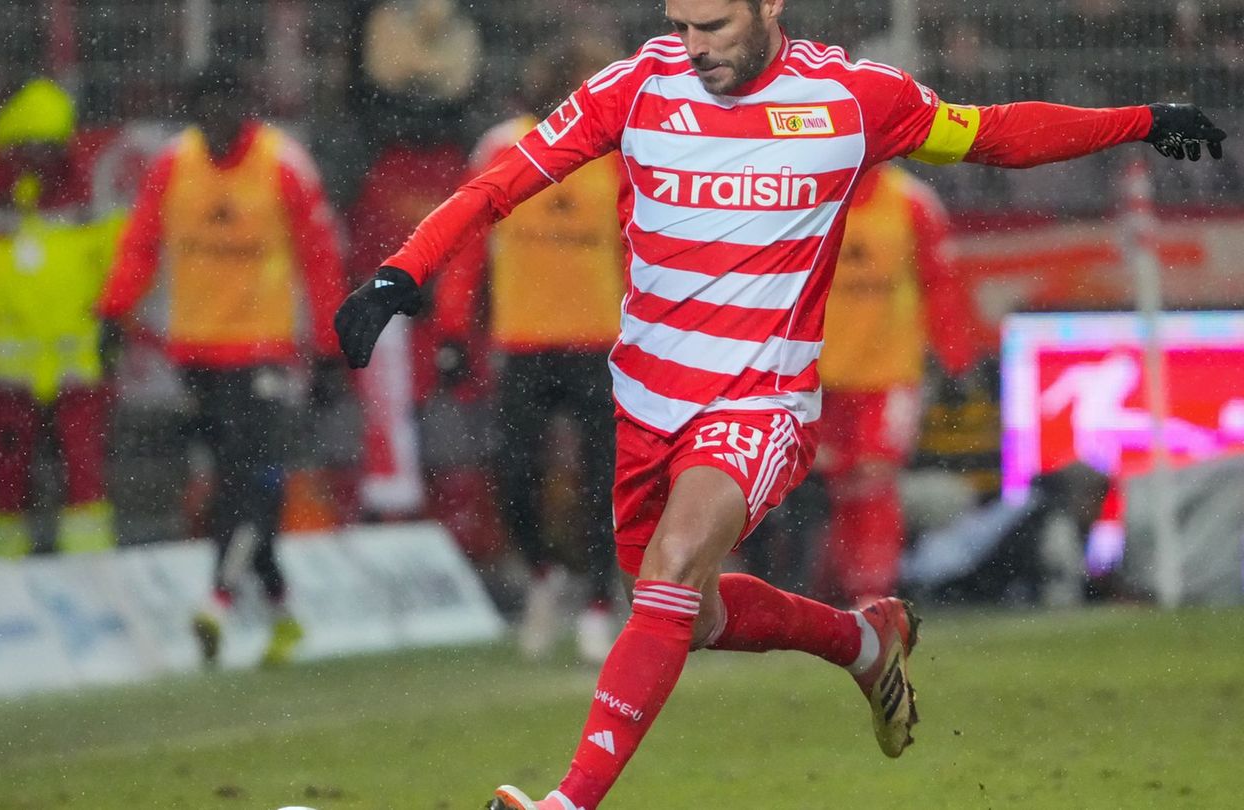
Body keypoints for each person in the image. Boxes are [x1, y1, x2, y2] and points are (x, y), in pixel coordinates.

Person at [333, 0, 1226, 807]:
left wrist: (1140, 121)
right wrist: (397, 273)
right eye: (681, 25)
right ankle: (860, 642)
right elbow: (501, 185)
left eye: (714, 27)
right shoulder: (637, 87)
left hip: (761, 403)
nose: (695, 48)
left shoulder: (851, 97)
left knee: (675, 567)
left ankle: (567, 803)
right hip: (645, 403)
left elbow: (993, 132)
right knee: (690, 615)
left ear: (770, 7)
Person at [100, 62, 348, 668]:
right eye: (206, 105)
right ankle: (283, 613)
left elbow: (320, 260)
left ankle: (216, 598)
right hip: (196, 355)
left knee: (247, 479)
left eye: (228, 103)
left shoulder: (283, 164)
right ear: (192, 110)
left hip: (262, 352)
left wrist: (331, 350)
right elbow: (141, 244)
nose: (217, 116)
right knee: (230, 482)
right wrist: (112, 312)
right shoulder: (171, 166)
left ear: (246, 107)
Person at [433, 38, 627, 663]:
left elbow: (643, 248)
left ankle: (599, 600)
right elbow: (465, 242)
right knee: (514, 477)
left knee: (604, 482)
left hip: (602, 344)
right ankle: (547, 576)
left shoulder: (618, 152)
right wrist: (452, 329)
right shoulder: (500, 149)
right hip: (522, 343)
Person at [0, 78, 124, 557]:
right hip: (5, 371)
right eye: (28, 146)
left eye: (48, 146)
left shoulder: (89, 200)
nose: (38, 156)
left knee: (84, 480)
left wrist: (110, 328)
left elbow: (120, 269)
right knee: (4, 483)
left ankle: (92, 573)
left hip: (76, 365)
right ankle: (0, 579)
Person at [811, 162, 983, 607]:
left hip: (888, 376)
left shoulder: (911, 203)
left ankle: (872, 594)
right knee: (841, 484)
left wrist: (955, 357)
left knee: (874, 476)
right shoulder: (812, 196)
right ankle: (839, 592)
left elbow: (941, 285)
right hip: (820, 376)